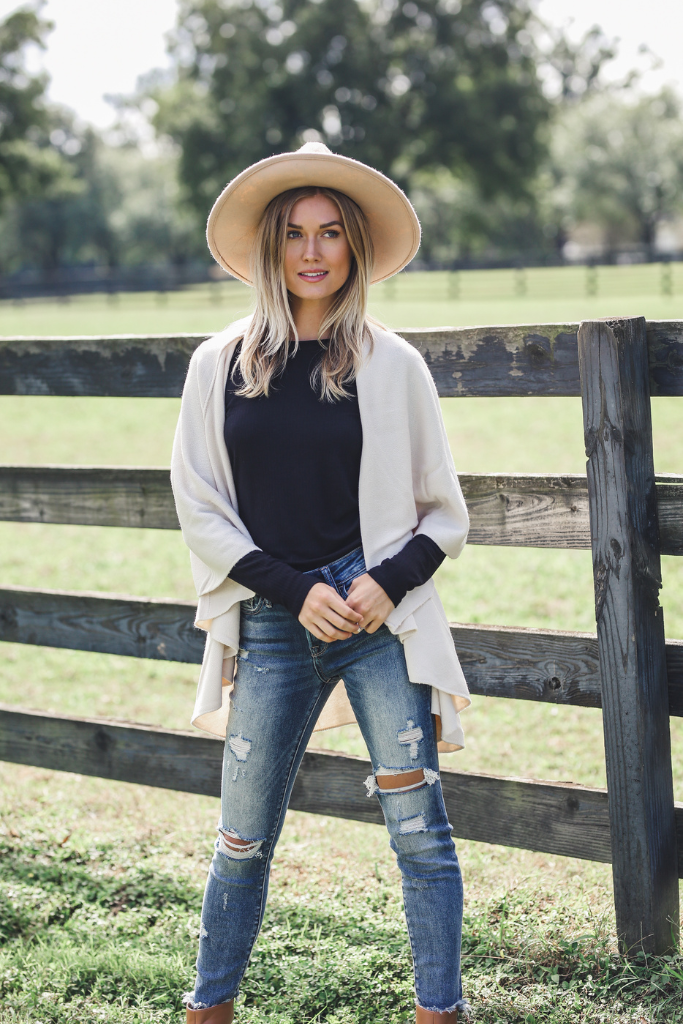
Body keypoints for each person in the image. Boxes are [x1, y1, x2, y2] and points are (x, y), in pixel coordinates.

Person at [171, 141, 472, 1024]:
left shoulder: (394, 365)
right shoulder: (217, 366)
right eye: (295, 234)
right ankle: (208, 1007)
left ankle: (438, 1011)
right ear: (270, 248)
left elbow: (443, 514)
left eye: (330, 233)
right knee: (240, 838)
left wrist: (383, 584)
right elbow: (200, 509)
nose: (311, 252)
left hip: (380, 617)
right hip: (272, 620)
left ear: (352, 249)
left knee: (420, 832)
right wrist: (293, 590)